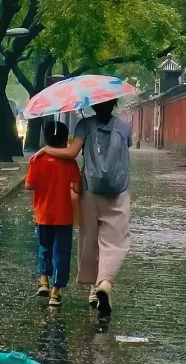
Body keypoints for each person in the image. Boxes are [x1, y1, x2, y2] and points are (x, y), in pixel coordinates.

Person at [43, 98, 132, 320]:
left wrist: (46, 149)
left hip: (90, 191)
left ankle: (94, 288)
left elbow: (71, 153)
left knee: (90, 239)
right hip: (118, 192)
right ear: (114, 104)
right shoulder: (125, 127)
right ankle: (104, 283)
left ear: (94, 106)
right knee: (115, 242)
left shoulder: (84, 126)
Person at [24, 122, 81, 307]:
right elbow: (78, 188)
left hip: (43, 214)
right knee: (61, 253)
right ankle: (55, 293)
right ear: (66, 141)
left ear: (45, 139)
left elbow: (29, 185)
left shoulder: (36, 160)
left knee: (43, 247)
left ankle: (43, 280)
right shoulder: (70, 163)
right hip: (64, 216)